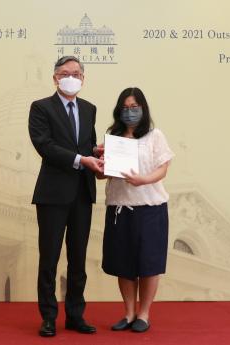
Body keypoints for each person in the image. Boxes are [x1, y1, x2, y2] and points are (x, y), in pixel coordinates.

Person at [28, 56, 104, 337]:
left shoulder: (89, 109)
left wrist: (99, 155)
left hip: (82, 193)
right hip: (52, 193)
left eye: (76, 73)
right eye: (64, 73)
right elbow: (44, 145)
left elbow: (86, 146)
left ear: (83, 79)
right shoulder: (40, 108)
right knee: (49, 258)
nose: (70, 77)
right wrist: (81, 159)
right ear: (55, 78)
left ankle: (75, 315)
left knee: (78, 258)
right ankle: (48, 317)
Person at [98, 87, 174, 333]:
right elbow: (103, 174)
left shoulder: (154, 135)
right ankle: (129, 312)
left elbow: (163, 168)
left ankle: (144, 314)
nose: (130, 112)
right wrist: (99, 161)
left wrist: (145, 179)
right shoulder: (114, 137)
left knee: (148, 263)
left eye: (134, 107)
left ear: (143, 108)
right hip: (120, 207)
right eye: (125, 108)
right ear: (119, 111)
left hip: (150, 208)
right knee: (124, 263)